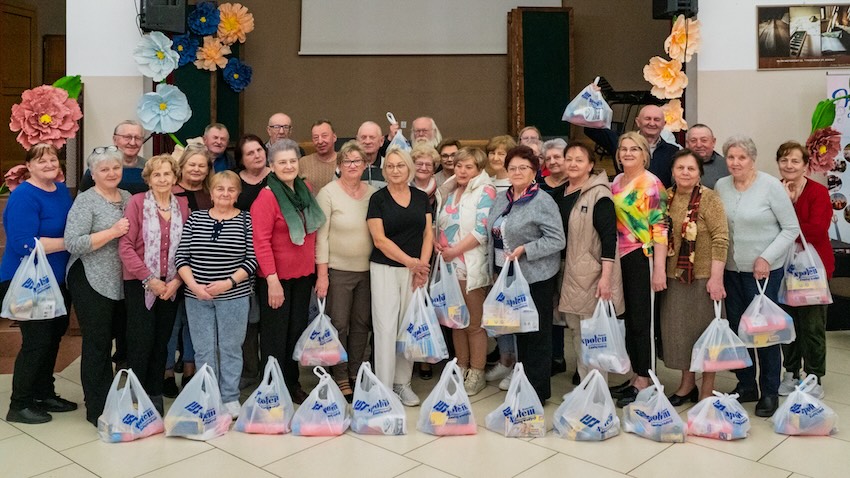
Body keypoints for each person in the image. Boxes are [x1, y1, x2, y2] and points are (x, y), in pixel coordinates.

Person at [715, 135, 799, 417]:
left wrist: (766, 257)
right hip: (731, 271)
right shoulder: (721, 186)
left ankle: (770, 392)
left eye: (742, 157)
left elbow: (791, 229)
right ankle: (747, 385)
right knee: (739, 330)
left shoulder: (770, 186)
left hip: (763, 273)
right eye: (731, 157)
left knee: (764, 333)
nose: (735, 162)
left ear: (753, 159)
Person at [2, 144, 75, 425]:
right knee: (37, 342)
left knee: (52, 339)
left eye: (53, 159)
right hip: (27, 283)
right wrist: (74, 243)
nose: (48, 164)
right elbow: (24, 244)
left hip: (57, 281)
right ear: (28, 166)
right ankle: (19, 404)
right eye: (40, 160)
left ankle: (44, 393)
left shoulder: (60, 193)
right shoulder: (23, 195)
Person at [487, 145, 565, 402]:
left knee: (536, 336)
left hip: (534, 278)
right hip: (506, 277)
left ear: (534, 172)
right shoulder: (502, 198)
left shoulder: (542, 201)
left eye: (524, 168)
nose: (517, 172)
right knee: (517, 334)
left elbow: (557, 240)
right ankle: (522, 385)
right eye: (513, 168)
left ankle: (537, 394)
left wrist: (526, 250)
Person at [177, 171, 258, 418]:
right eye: (219, 189)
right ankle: (208, 394)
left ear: (237, 194)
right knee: (203, 349)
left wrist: (228, 283)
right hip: (197, 296)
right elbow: (181, 257)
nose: (225, 194)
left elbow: (253, 259)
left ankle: (230, 397)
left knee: (231, 347)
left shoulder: (246, 220)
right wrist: (194, 286)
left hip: (234, 295)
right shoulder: (195, 219)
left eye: (230, 189)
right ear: (211, 193)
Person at [251, 139, 325, 404]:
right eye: (282, 162)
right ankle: (271, 387)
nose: (288, 166)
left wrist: (319, 272)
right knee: (274, 336)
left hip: (303, 275)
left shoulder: (305, 189)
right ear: (271, 166)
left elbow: (313, 233)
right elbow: (260, 241)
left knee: (296, 333)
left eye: (292, 161)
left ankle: (292, 384)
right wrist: (271, 280)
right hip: (276, 279)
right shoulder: (267, 197)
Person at [64, 146, 131, 426]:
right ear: (93, 174)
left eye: (115, 168)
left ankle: (121, 398)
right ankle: (97, 407)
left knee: (124, 341)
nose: (111, 173)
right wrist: (112, 233)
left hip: (122, 280)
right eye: (104, 169)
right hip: (90, 278)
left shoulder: (127, 197)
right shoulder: (86, 201)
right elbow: (73, 242)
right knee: (97, 343)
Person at [118, 154, 189, 415]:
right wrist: (150, 279)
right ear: (148, 178)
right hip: (140, 283)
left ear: (175, 178)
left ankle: (154, 391)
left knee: (162, 341)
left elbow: (188, 249)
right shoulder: (137, 203)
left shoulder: (182, 206)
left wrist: (176, 281)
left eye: (167, 174)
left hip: (171, 285)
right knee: (141, 340)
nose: (162, 179)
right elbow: (125, 247)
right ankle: (136, 393)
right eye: (156, 174)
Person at [660, 149, 729, 403]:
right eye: (681, 168)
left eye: (691, 168)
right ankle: (686, 384)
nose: (685, 173)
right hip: (675, 277)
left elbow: (721, 238)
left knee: (707, 337)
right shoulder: (666, 198)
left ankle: (707, 389)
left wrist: (716, 278)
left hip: (703, 278)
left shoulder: (710, 199)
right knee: (680, 335)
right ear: (673, 172)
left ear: (700, 173)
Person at [367, 145, 433, 406]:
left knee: (409, 327)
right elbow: (380, 240)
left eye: (400, 165)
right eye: (390, 166)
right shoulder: (378, 199)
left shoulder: (420, 197)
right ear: (385, 170)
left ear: (409, 168)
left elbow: (429, 233)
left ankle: (402, 383)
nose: (395, 170)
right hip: (385, 269)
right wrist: (411, 263)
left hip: (415, 271)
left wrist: (422, 267)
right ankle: (383, 387)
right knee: (385, 328)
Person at [554, 142, 623, 383]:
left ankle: (595, 388)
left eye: (579, 160)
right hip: (566, 272)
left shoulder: (599, 194)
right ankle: (586, 383)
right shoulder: (560, 191)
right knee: (575, 329)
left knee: (591, 334)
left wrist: (606, 278)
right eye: (569, 159)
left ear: (591, 165)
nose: (572, 164)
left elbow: (608, 238)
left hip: (590, 275)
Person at [608, 132, 669, 408]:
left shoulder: (652, 184)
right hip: (619, 257)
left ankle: (645, 378)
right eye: (624, 149)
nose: (628, 153)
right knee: (628, 319)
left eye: (635, 149)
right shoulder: (615, 182)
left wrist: (659, 270)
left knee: (642, 321)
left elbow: (660, 228)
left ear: (645, 154)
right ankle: (635, 374)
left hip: (641, 257)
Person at [315, 141, 378, 400]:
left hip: (368, 271)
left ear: (366, 165)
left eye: (357, 161)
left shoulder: (373, 193)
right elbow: (321, 237)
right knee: (338, 324)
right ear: (339, 166)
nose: (352, 165)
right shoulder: (328, 193)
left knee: (362, 323)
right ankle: (339, 375)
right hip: (338, 271)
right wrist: (322, 275)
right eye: (347, 161)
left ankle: (355, 371)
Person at [434, 147, 496, 395]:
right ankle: (461, 366)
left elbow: (481, 231)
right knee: (455, 322)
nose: (462, 170)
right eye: (459, 165)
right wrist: (440, 244)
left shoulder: (485, 191)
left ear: (479, 169)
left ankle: (477, 372)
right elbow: (444, 224)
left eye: (468, 167)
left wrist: (454, 250)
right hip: (448, 266)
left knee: (473, 323)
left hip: (469, 266)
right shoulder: (450, 191)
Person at [775, 141, 833, 399]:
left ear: (806, 165)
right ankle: (790, 372)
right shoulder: (773, 189)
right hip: (783, 267)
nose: (789, 166)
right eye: (784, 160)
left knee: (811, 326)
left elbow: (816, 230)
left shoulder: (818, 192)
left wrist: (788, 208)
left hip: (813, 270)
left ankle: (814, 376)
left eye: (795, 161)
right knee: (787, 325)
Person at [163, 144, 214, 397]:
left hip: (202, 269)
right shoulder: (169, 193)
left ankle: (192, 369)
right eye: (191, 164)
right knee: (171, 323)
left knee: (194, 323)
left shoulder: (212, 194)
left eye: (201, 165)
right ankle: (168, 372)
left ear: (208, 170)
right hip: (171, 268)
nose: (196, 169)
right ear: (181, 167)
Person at [233, 134, 270, 390]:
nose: (256, 155)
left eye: (259, 150)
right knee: (247, 319)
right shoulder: (235, 182)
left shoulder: (278, 177)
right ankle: (249, 369)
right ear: (241, 160)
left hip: (271, 258)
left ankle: (270, 370)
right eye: (250, 153)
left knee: (269, 319)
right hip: (241, 256)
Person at [483, 134, 520, 387]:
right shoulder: (486, 183)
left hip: (516, 261)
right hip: (493, 258)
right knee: (499, 315)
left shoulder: (518, 184)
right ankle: (505, 359)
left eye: (502, 153)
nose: (496, 158)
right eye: (492, 152)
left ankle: (517, 365)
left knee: (515, 314)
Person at [584, 105, 679, 187]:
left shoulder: (673, 151)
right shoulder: (620, 142)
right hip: (624, 203)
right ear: (638, 122)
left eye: (657, 119)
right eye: (647, 119)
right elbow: (591, 129)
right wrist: (593, 98)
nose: (652, 123)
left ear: (664, 124)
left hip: (658, 205)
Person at [79, 120, 149, 194]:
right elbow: (81, 199)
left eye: (138, 138)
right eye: (127, 137)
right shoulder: (98, 167)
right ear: (115, 139)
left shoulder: (149, 168)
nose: (132, 143)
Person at [686, 124, 729, 188]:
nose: (699, 145)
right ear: (687, 143)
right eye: (693, 141)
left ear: (713, 142)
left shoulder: (726, 166)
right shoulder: (679, 165)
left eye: (704, 140)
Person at [299, 119, 338, 191]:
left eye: (324, 136)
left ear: (334, 137)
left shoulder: (345, 161)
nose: (320, 141)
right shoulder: (303, 163)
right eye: (316, 137)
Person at [355, 121, 387, 187]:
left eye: (372, 137)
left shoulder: (390, 166)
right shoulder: (348, 166)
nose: (367, 141)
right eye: (363, 137)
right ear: (357, 141)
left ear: (381, 141)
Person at [410, 143, 440, 210]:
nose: (423, 168)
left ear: (433, 169)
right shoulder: (405, 189)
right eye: (419, 164)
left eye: (428, 165)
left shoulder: (439, 191)